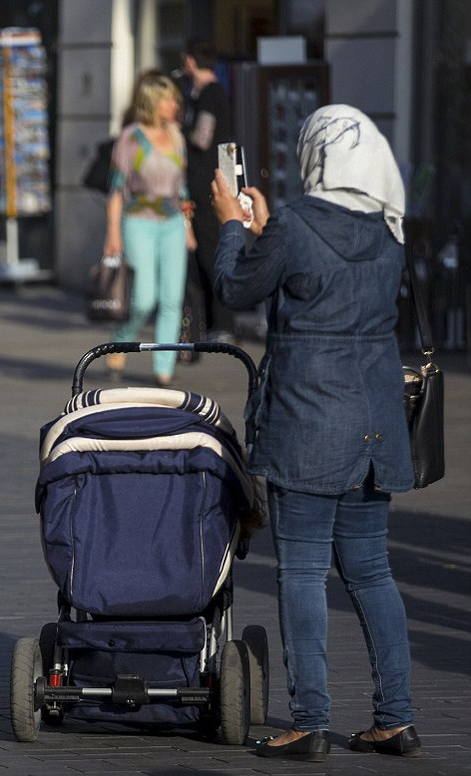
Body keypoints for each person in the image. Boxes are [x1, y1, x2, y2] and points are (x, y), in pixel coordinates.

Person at [211, 104, 420, 761]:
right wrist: (268, 229)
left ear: (317, 155)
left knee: (301, 570)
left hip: (309, 421)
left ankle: (310, 721)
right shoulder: (390, 227)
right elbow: (320, 286)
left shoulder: (298, 223)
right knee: (371, 570)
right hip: (376, 425)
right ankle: (397, 718)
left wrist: (231, 226)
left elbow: (236, 285)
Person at [103, 71, 195, 385]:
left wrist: (188, 226)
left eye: (176, 100)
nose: (175, 106)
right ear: (153, 102)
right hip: (138, 221)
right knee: (143, 299)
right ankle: (122, 337)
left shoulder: (177, 136)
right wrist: (112, 233)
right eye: (169, 100)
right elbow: (116, 189)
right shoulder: (130, 138)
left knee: (172, 298)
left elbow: (182, 188)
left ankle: (163, 370)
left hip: (172, 224)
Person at [181, 38, 233, 344]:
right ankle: (214, 322)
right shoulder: (207, 92)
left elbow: (202, 137)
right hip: (207, 182)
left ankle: (222, 322)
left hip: (206, 184)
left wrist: (177, 133)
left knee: (211, 251)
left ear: (189, 61)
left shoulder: (210, 93)